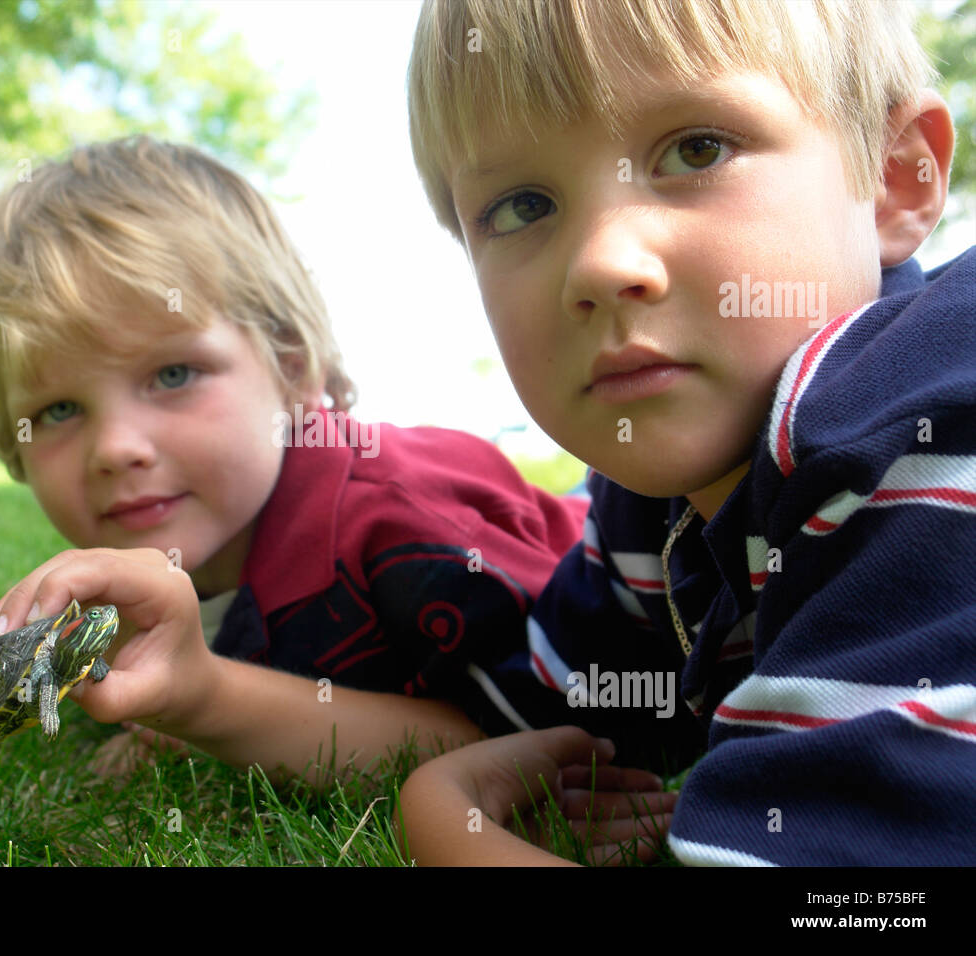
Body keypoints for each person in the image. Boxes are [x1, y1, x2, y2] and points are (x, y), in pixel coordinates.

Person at [0, 137, 669, 845]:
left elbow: (537, 731)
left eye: (172, 375)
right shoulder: (144, 572)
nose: (116, 448)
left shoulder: (403, 523)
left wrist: (205, 700)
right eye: (59, 411)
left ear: (292, 369)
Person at [396, 0, 975, 865]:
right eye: (521, 206)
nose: (601, 262)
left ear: (896, 177)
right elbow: (528, 731)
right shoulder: (646, 511)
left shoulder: (914, 414)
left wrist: (444, 826)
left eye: (697, 148)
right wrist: (203, 692)